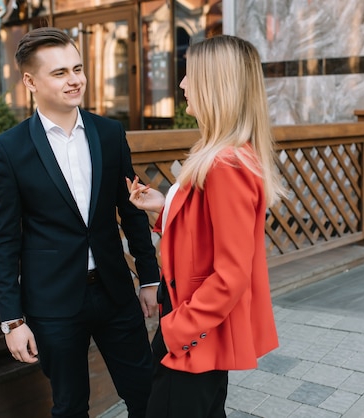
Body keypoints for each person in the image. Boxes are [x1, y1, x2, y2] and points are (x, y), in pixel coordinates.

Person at [0, 27, 159, 418]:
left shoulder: (109, 133)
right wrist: (12, 321)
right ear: (30, 81)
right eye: (60, 72)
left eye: (78, 68)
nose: (75, 80)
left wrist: (149, 278)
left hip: (116, 293)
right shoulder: (10, 149)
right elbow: (3, 239)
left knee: (147, 395)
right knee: (69, 407)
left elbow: (132, 209)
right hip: (53, 303)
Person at [127, 34, 284, 418]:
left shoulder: (225, 165)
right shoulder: (220, 153)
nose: (181, 84)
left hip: (191, 333)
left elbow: (231, 274)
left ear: (217, 85)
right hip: (192, 327)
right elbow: (207, 234)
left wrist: (177, 330)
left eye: (190, 75)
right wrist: (164, 208)